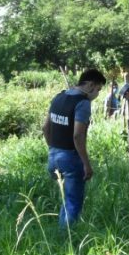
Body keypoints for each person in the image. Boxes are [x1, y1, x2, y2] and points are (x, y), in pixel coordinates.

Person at [43, 69, 106, 226]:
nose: (97, 94)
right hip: (70, 159)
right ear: (91, 85)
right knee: (72, 204)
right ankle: (67, 241)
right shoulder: (83, 103)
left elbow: (45, 128)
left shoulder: (58, 97)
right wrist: (86, 164)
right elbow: (78, 135)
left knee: (65, 199)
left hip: (53, 157)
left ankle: (60, 234)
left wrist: (53, 149)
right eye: (98, 89)